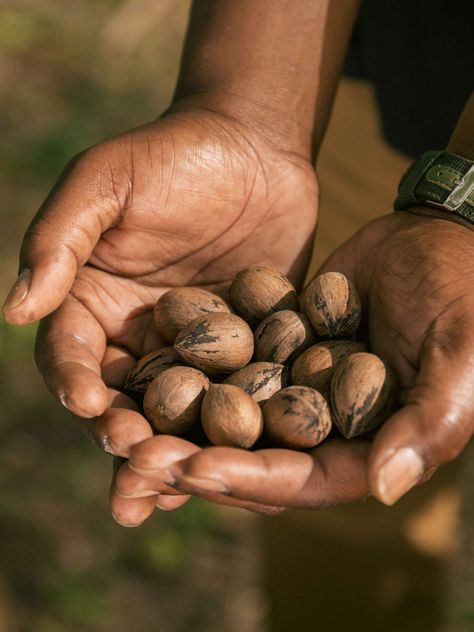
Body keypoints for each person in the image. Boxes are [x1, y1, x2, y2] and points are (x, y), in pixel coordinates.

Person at [2, 1, 474, 528]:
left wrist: (463, 218)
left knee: (397, 467)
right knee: (354, 513)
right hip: (355, 73)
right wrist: (247, 113)